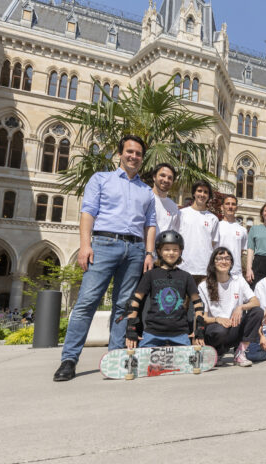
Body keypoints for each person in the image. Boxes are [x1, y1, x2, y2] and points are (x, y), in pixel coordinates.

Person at [54, 134, 156, 382]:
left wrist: (149, 253)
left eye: (138, 154)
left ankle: (116, 356)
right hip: (103, 243)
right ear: (120, 154)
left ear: (142, 158)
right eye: (129, 152)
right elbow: (88, 212)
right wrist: (84, 245)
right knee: (87, 302)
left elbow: (150, 224)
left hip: (134, 249)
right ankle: (69, 359)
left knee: (123, 305)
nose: (134, 156)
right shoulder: (101, 179)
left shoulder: (146, 191)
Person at [124, 230, 203, 348]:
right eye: (166, 249)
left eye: (175, 249)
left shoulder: (186, 276)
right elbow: (134, 301)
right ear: (159, 251)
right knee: (147, 365)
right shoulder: (150, 275)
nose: (171, 253)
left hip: (180, 333)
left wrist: (199, 330)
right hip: (152, 332)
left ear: (180, 251)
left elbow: (198, 303)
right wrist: (131, 329)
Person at [198, 247, 264, 367]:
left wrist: (241, 308)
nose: (223, 261)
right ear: (213, 262)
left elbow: (256, 302)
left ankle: (240, 353)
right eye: (219, 258)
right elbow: (203, 318)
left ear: (232, 262)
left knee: (257, 311)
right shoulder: (204, 285)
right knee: (220, 330)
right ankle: (216, 353)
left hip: (233, 328)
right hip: (215, 330)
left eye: (227, 258)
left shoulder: (238, 281)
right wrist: (217, 319)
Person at [179, 180, 219, 285]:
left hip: (204, 270)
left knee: (202, 301)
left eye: (206, 192)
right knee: (181, 301)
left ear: (209, 196)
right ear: (194, 193)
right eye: (199, 191)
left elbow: (213, 244)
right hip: (183, 267)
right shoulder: (182, 214)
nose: (202, 194)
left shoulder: (213, 219)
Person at [218, 194, 248, 276]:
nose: (230, 206)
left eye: (233, 204)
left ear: (236, 208)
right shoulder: (216, 226)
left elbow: (241, 252)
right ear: (222, 207)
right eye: (227, 204)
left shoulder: (243, 230)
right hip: (218, 271)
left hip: (236, 273)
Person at [151, 163, 180, 235]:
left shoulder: (173, 207)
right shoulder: (145, 198)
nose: (166, 180)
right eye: (162, 175)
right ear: (154, 177)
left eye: (170, 178)